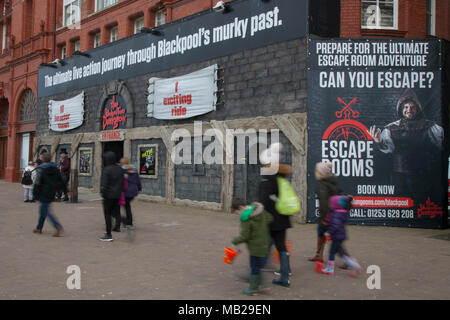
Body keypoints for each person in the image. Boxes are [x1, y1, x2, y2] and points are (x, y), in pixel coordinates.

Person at [368, 88, 444, 199]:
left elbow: (441, 143)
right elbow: (388, 148)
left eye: (412, 107)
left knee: (420, 202)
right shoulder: (391, 127)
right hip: (399, 176)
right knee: (401, 202)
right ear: (401, 108)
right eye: (406, 107)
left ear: (417, 109)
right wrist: (379, 141)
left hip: (422, 175)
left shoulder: (429, 126)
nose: (409, 110)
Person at [258, 142, 292, 288]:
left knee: (261, 245)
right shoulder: (281, 176)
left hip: (271, 219)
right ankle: (285, 276)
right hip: (282, 218)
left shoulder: (267, 178)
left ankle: (255, 274)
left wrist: (254, 212)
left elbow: (263, 201)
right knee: (281, 246)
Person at [231, 198, 273, 295]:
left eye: (237, 212)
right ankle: (264, 286)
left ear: (241, 208)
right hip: (264, 244)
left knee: (254, 267)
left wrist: (234, 241)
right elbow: (270, 218)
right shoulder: (259, 210)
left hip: (255, 247)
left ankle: (253, 289)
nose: (238, 214)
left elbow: (245, 236)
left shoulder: (246, 218)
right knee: (260, 265)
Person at [308, 162, 341, 262]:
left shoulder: (322, 184)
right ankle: (319, 255)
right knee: (327, 235)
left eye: (317, 171)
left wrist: (324, 218)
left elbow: (323, 202)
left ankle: (348, 259)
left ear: (320, 172)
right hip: (335, 214)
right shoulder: (332, 181)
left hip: (327, 215)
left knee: (327, 236)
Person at [321, 195, 361, 276]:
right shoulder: (341, 212)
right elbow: (331, 219)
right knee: (340, 253)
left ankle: (330, 269)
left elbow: (335, 225)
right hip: (340, 235)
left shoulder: (337, 213)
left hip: (337, 236)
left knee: (332, 252)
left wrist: (329, 232)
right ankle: (352, 263)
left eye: (331, 203)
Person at [32, 153, 64, 237]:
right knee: (43, 209)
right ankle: (39, 228)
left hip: (43, 192)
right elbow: (60, 180)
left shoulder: (40, 169)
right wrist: (64, 190)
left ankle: (57, 226)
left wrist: (35, 194)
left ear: (42, 159)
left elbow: (37, 182)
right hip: (52, 191)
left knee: (44, 211)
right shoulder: (55, 168)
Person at [100, 151, 124, 242]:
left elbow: (105, 184)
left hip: (108, 196)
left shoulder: (106, 169)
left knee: (108, 215)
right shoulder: (120, 169)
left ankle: (108, 234)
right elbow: (122, 182)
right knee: (116, 213)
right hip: (117, 195)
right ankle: (126, 223)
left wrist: (103, 194)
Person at [120, 157, 142, 229]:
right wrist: (139, 189)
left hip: (126, 192)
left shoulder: (122, 170)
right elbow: (138, 181)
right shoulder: (134, 169)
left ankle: (126, 222)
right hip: (133, 191)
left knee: (125, 207)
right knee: (127, 206)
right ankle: (128, 222)